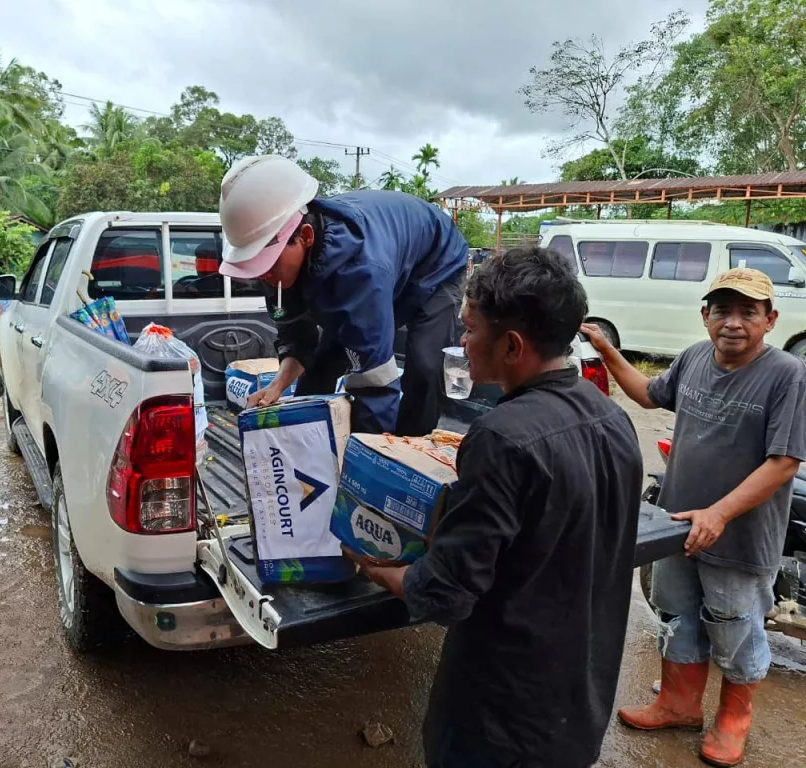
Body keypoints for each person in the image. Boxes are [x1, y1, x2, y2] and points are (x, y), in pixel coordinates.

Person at [355, 246, 644, 768]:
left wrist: (379, 568)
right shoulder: (611, 418)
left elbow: (445, 592)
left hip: (499, 720)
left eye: (468, 329)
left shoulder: (502, 439)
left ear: (512, 345)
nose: (461, 343)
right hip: (578, 704)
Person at [584, 268, 806, 768]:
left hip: (741, 535)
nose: (733, 322)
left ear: (770, 320)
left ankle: (733, 721)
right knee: (676, 613)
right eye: (722, 310)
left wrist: (719, 513)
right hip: (678, 524)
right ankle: (678, 704)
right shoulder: (693, 358)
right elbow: (647, 394)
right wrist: (606, 350)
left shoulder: (787, 375)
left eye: (748, 312)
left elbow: (784, 462)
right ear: (705, 316)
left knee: (735, 624)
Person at [218, 154, 468, 436]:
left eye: (269, 263)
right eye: (256, 265)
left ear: (306, 236)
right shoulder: (273, 267)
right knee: (318, 371)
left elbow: (375, 384)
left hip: (436, 265)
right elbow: (298, 339)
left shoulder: (359, 272)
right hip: (388, 262)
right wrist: (277, 387)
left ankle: (409, 451)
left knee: (424, 366)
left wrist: (365, 458)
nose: (264, 274)